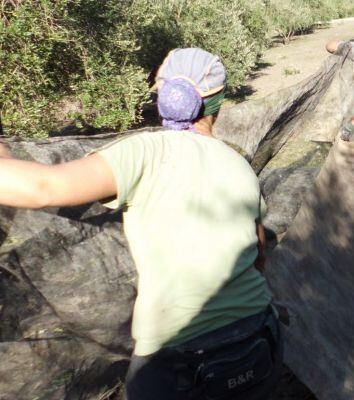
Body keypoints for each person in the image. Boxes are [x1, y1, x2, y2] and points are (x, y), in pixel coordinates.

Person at [0, 48, 281, 400]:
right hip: (258, 333)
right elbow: (259, 253)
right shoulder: (237, 163)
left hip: (178, 352)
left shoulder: (146, 151)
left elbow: (43, 188)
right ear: (218, 103)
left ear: (163, 94)